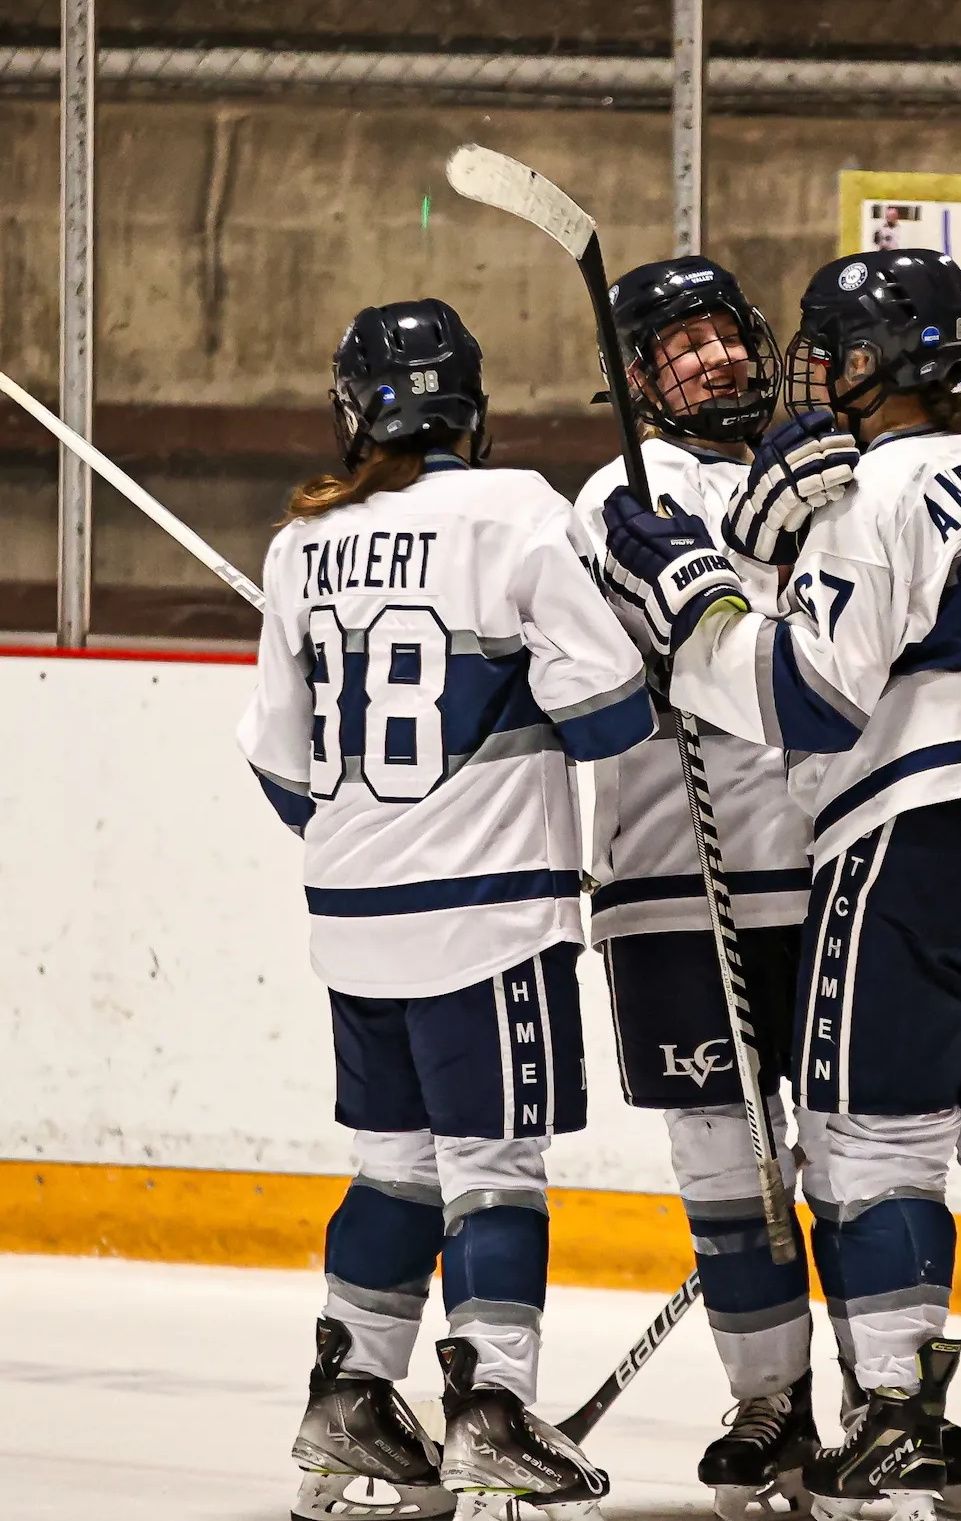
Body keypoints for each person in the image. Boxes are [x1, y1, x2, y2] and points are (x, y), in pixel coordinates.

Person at [601, 248, 961, 1521]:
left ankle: (895, 1416)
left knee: (874, 1145)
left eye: (830, 349)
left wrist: (703, 620)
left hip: (910, 852)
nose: (814, 372)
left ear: (870, 362)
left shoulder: (868, 489)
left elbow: (806, 696)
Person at [238, 298, 655, 1521]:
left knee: (390, 1172)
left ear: (354, 407)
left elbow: (277, 769)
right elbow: (615, 714)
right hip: (490, 916)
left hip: (353, 913)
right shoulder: (516, 507)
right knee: (492, 1174)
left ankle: (351, 1397)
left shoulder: (298, 543)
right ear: (469, 406)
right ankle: (491, 1413)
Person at [574, 256, 872, 1518]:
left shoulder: (836, 466)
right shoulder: (614, 492)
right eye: (674, 346)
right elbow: (687, 631)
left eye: (718, 334)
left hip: (829, 864)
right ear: (638, 379)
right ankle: (770, 1400)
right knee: (724, 1167)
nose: (709, 359)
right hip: (668, 883)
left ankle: (887, 1403)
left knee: (861, 1158)